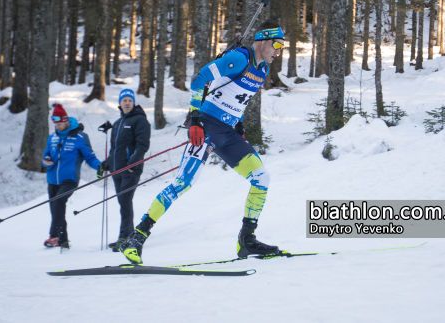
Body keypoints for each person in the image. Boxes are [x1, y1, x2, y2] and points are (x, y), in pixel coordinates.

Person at [119, 20, 286, 264]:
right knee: (183, 183)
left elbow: (237, 97)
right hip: (206, 126)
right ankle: (137, 236)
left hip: (227, 132)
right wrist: (195, 118)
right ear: (263, 41)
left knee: (261, 178)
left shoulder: (263, 71)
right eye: (277, 44)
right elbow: (199, 81)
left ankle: (247, 240)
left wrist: (237, 123)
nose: (279, 51)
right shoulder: (240, 59)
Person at [42, 103, 102, 248]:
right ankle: (63, 240)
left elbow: (90, 157)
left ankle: (54, 236)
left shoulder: (79, 137)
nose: (57, 124)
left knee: (58, 203)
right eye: (54, 121)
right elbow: (45, 157)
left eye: (59, 121)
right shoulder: (52, 138)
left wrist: (100, 166)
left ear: (66, 120)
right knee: (56, 209)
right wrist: (46, 162)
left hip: (70, 180)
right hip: (52, 180)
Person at [99, 88, 151, 252]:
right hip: (116, 170)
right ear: (120, 103)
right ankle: (125, 235)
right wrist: (106, 164)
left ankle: (126, 237)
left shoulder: (140, 121)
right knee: (123, 203)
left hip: (130, 170)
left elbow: (142, 145)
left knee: (125, 202)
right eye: (124, 100)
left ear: (133, 102)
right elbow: (115, 149)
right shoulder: (117, 123)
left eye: (129, 100)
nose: (127, 103)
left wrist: (133, 164)